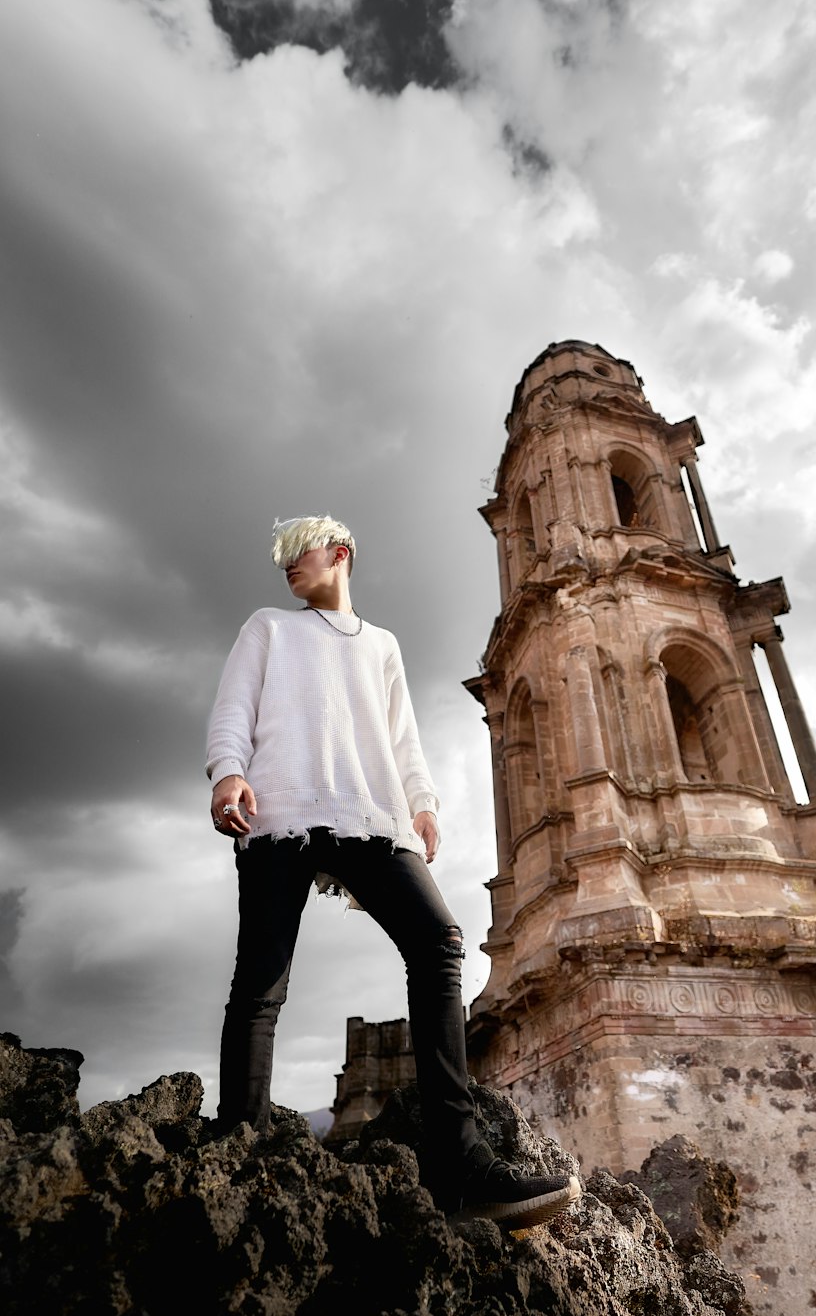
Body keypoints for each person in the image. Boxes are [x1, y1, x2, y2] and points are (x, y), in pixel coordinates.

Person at [207, 515, 579, 1229]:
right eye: (279, 554)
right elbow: (232, 711)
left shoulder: (381, 645)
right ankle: (241, 1150)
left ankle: (461, 1169)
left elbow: (403, 739)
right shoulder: (267, 628)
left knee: (439, 942)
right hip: (277, 816)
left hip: (368, 818)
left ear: (340, 554)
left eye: (299, 550)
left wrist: (424, 805)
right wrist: (229, 774)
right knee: (260, 983)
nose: (286, 564)